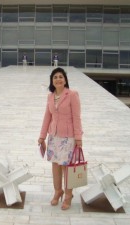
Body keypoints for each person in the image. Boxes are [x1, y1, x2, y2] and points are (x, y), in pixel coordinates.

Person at [38, 67, 83, 210]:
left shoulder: (72, 94)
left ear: (65, 80)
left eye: (61, 77)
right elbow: (47, 117)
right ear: (52, 81)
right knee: (55, 166)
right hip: (53, 137)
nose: (58, 79)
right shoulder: (50, 97)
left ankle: (68, 195)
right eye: (55, 77)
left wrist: (78, 138)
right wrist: (42, 136)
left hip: (68, 138)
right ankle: (58, 191)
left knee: (67, 167)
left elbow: (76, 117)